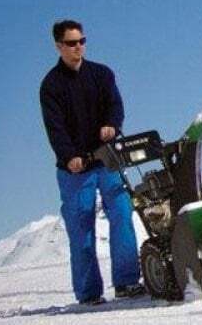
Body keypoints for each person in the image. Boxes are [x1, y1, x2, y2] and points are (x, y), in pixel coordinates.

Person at [39, 19, 145, 305]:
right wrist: (69, 156)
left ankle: (127, 282)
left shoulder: (101, 74)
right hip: (75, 170)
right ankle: (88, 293)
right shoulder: (51, 86)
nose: (78, 47)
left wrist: (112, 124)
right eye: (72, 43)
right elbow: (55, 128)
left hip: (107, 160)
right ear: (59, 46)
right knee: (81, 230)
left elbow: (115, 106)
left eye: (82, 41)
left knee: (122, 214)